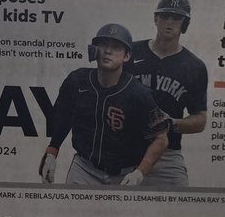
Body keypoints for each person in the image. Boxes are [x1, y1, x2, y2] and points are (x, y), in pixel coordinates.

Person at [39, 23, 169, 187]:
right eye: (103, 45)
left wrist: (140, 172)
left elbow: (161, 139)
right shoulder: (77, 80)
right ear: (94, 49)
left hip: (123, 174)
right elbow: (64, 117)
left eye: (115, 47)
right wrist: (52, 151)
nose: (108, 51)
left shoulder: (139, 94)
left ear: (126, 56)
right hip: (84, 169)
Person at [127, 0, 207, 187]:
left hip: (167, 154)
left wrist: (170, 123)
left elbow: (200, 120)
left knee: (179, 211)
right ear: (156, 19)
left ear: (185, 23)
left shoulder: (194, 66)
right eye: (165, 16)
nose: (169, 22)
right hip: (126, 149)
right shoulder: (130, 52)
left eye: (176, 17)